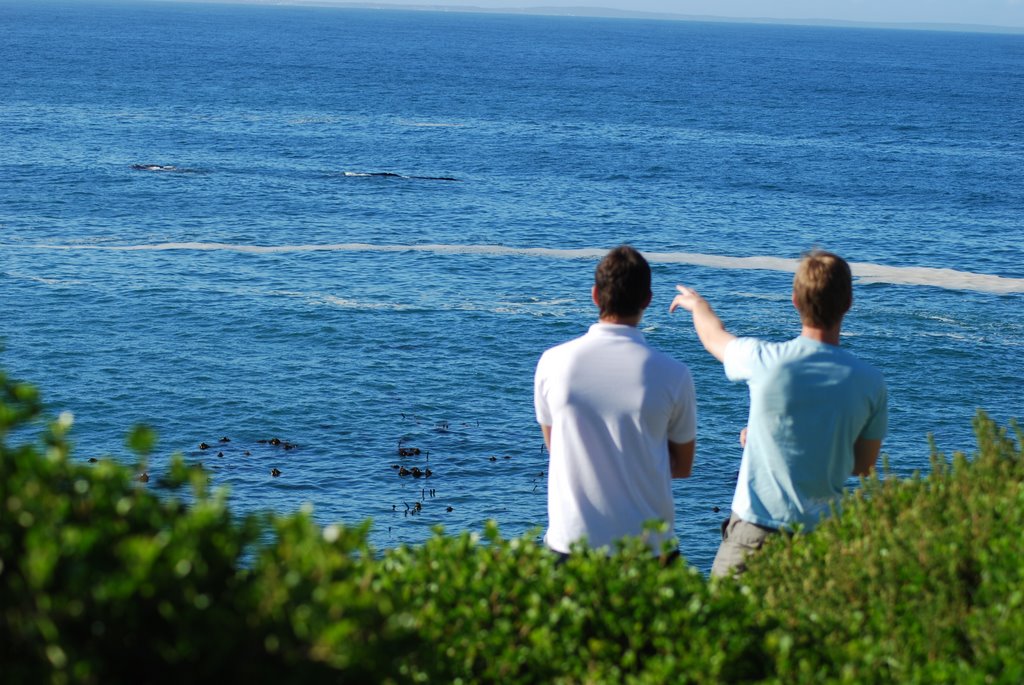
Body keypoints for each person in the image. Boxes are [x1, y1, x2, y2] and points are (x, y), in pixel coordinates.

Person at [669, 250, 887, 577]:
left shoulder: (765, 360)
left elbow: (714, 339)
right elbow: (863, 465)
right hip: (819, 543)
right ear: (848, 303)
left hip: (754, 534)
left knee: (721, 624)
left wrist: (700, 306)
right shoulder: (871, 383)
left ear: (795, 300)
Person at [534, 245, 697, 559]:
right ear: (647, 300)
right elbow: (682, 466)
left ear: (595, 295)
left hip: (571, 542)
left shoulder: (552, 363)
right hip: (648, 547)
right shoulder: (674, 375)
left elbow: (558, 448)